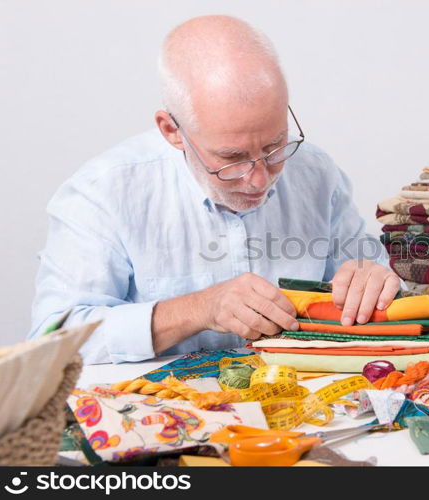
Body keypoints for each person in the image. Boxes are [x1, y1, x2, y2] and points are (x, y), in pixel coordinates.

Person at [28, 15, 400, 364]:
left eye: (274, 146)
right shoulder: (104, 192)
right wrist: (198, 309)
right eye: (231, 158)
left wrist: (374, 283)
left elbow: (375, 282)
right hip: (161, 421)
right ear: (172, 131)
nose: (259, 179)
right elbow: (52, 346)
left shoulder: (316, 173)